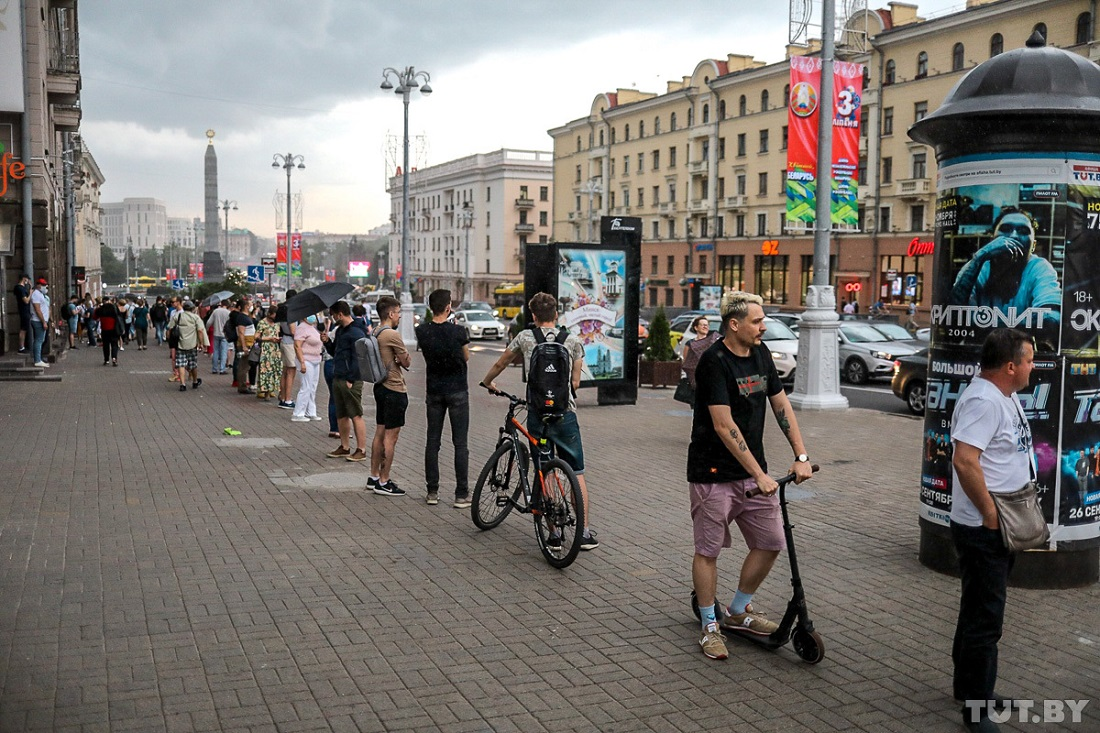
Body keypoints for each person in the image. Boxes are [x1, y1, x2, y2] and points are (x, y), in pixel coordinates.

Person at [688, 290, 813, 661]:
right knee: (708, 551)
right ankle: (710, 625)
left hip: (752, 473)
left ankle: (738, 610)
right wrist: (759, 473)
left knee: (772, 541)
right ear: (734, 324)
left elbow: (780, 404)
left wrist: (801, 455)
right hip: (712, 474)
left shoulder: (760, 354)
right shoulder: (714, 361)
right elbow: (723, 424)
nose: (763, 327)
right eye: (757, 321)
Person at [949, 328, 1036, 733]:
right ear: (1010, 366)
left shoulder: (1003, 395)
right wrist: (989, 514)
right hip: (986, 526)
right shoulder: (984, 401)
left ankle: (969, 688)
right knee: (987, 618)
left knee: (976, 608)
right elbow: (965, 460)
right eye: (1030, 360)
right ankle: (977, 709)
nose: (1034, 367)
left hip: (998, 522)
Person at [482, 291, 599, 550]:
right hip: (565, 415)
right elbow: (576, 382)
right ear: (556, 315)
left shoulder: (525, 337)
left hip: (538, 415)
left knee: (543, 467)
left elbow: (502, 362)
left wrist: (488, 382)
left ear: (533, 316)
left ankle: (554, 535)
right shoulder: (572, 340)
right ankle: (584, 533)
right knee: (576, 472)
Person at [950, 208, 1060, 349]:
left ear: (1033, 245)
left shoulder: (1039, 268)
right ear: (992, 239)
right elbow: (952, 320)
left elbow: (1051, 320)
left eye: (1023, 231)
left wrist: (984, 326)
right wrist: (979, 257)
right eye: (1006, 229)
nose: (1013, 236)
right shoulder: (977, 266)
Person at [416, 289, 471, 507]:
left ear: (430, 307)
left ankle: (432, 491)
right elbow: (465, 356)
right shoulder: (459, 332)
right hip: (457, 389)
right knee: (460, 444)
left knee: (432, 441)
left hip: (434, 391)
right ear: (448, 307)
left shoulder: (422, 331)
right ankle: (461, 494)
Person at [367, 296, 412, 497]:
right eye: (398, 313)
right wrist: (399, 358)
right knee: (390, 438)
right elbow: (407, 361)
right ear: (391, 314)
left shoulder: (375, 331)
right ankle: (384, 481)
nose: (400, 316)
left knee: (379, 432)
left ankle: (374, 476)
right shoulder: (392, 335)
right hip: (394, 388)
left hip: (380, 386)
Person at [326, 300, 369, 463]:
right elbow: (335, 351)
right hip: (339, 375)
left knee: (355, 414)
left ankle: (361, 449)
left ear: (340, 314)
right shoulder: (341, 331)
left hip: (351, 379)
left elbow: (359, 357)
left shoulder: (356, 332)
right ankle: (344, 446)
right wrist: (327, 343)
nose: (333, 318)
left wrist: (352, 378)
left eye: (333, 315)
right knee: (341, 414)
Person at [168, 300, 209, 391]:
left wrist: (169, 340)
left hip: (180, 344)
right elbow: (200, 331)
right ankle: (194, 381)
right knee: (193, 364)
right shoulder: (196, 318)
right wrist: (201, 343)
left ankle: (182, 384)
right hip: (192, 344)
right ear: (192, 308)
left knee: (181, 364)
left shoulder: (177, 316)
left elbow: (170, 328)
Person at [290, 315, 323, 423]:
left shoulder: (313, 327)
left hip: (316, 360)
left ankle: (310, 411)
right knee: (306, 386)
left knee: (313, 387)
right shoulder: (302, 327)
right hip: (306, 359)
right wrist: (302, 362)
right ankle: (298, 413)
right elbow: (297, 346)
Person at [681, 317, 721, 390]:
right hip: (696, 377)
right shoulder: (690, 343)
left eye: (707, 325)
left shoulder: (713, 341)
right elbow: (686, 361)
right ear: (696, 328)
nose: (705, 327)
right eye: (702, 325)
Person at [254, 306, 283, 400]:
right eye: (274, 315)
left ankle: (271, 390)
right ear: (270, 314)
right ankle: (265, 392)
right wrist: (269, 338)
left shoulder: (277, 324)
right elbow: (256, 337)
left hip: (275, 349)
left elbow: (277, 334)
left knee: (275, 370)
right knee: (266, 370)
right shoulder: (262, 323)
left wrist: (278, 339)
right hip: (266, 349)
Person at [276, 290, 298, 409]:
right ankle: (288, 400)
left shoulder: (282, 308)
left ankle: (283, 397)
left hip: (284, 340)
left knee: (285, 372)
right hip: (290, 343)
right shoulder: (292, 310)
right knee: (291, 371)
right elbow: (293, 330)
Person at [233, 299, 257, 394]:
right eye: (250, 304)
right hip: (246, 344)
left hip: (249, 343)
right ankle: (242, 387)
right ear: (246, 306)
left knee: (245, 366)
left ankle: (242, 385)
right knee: (244, 366)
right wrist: (244, 346)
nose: (252, 306)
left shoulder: (246, 317)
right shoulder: (242, 318)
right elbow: (241, 333)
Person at [29, 278, 50, 367]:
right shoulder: (36, 295)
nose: (44, 287)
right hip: (38, 321)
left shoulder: (40, 294)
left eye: (45, 285)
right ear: (38, 285)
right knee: (39, 340)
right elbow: (38, 310)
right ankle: (37, 360)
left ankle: (39, 358)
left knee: (41, 340)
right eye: (43, 285)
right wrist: (43, 322)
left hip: (41, 321)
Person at [94, 296, 121, 366]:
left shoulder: (100, 309)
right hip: (114, 329)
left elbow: (94, 317)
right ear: (109, 301)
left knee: (106, 345)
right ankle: (114, 358)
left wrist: (97, 308)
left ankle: (106, 360)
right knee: (114, 344)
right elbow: (119, 316)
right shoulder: (114, 308)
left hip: (105, 329)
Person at [207, 299, 231, 374]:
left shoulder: (216, 311)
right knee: (223, 352)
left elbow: (209, 322)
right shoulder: (228, 313)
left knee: (215, 351)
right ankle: (222, 369)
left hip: (216, 333)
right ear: (227, 305)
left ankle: (214, 369)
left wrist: (207, 329)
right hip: (225, 334)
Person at [14, 274, 31, 353]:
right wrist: (30, 293)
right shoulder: (21, 289)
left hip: (24, 310)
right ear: (24, 279)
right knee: (23, 329)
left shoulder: (20, 288)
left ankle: (22, 346)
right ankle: (21, 347)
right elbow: (26, 300)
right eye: (27, 279)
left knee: (24, 329)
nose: (27, 281)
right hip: (24, 310)